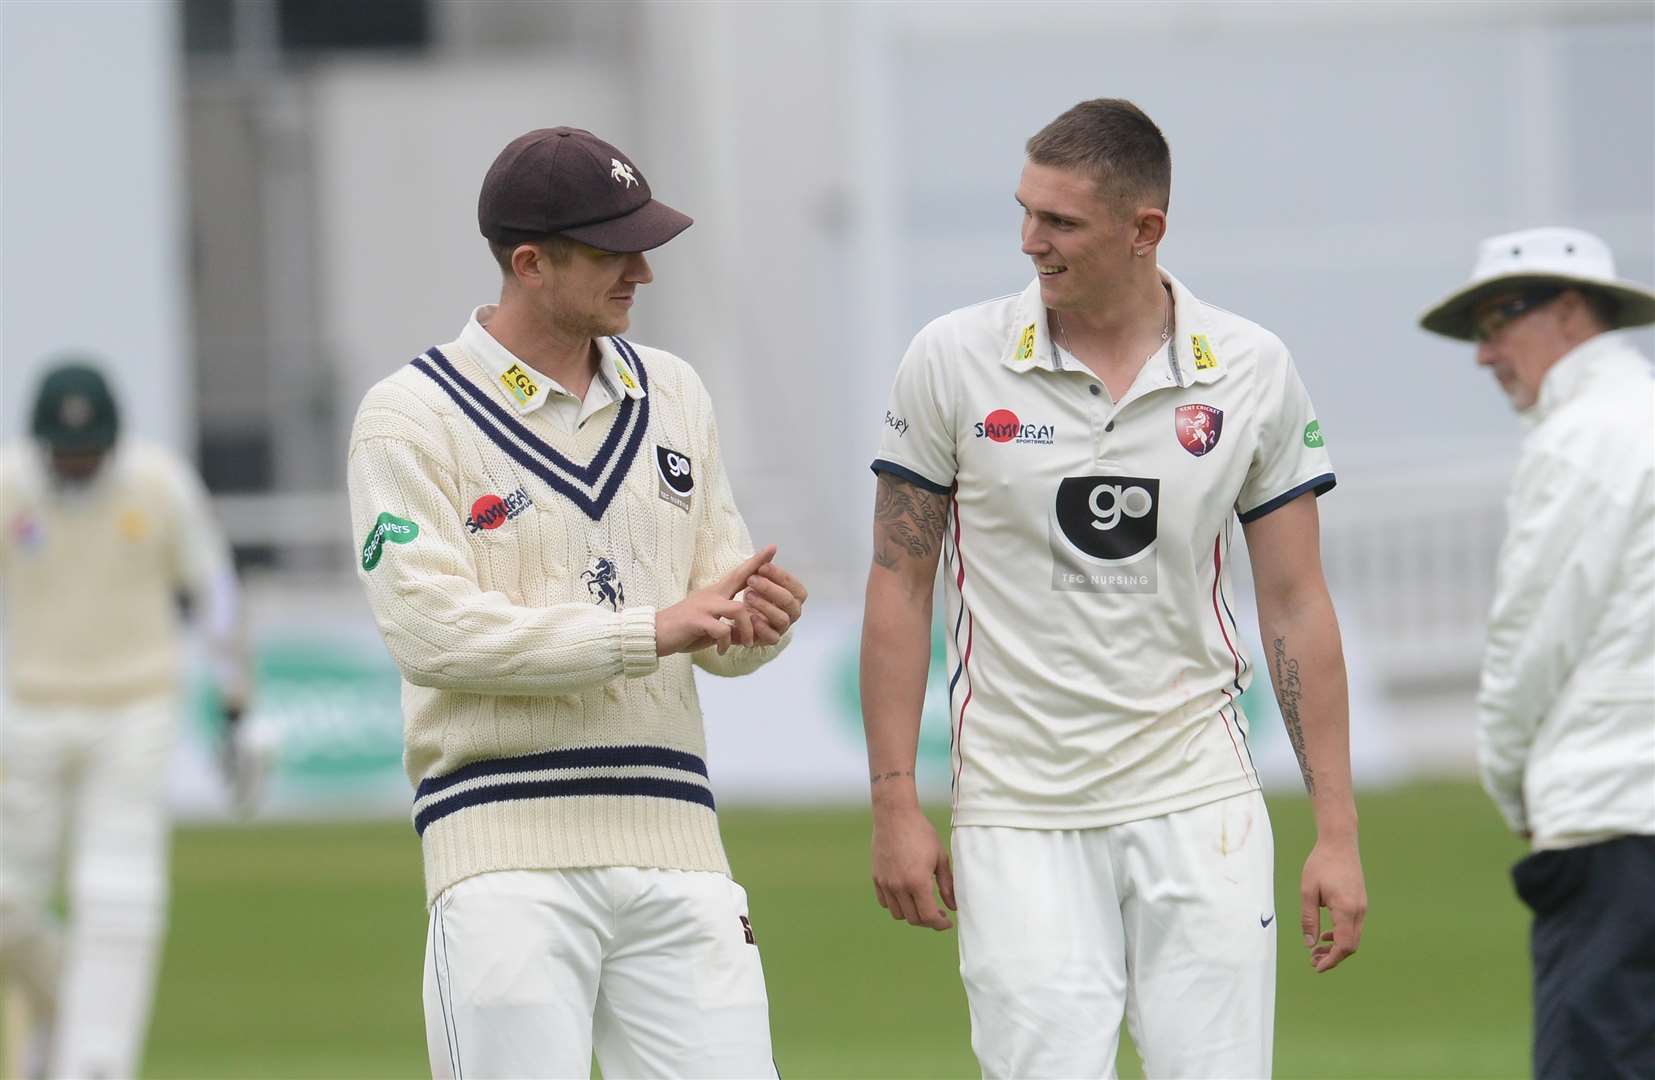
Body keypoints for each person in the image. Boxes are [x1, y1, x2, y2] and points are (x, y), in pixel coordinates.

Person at [860, 99, 1366, 1078]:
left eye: (1059, 223)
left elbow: (1296, 604)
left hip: (1198, 799)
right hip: (1017, 808)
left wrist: (1335, 835)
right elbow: (897, 581)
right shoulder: (950, 359)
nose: (1028, 242)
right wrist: (893, 805)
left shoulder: (1252, 370)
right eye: (1024, 212)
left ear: (1145, 231)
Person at [346, 127, 807, 1078]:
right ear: (529, 263)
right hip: (503, 856)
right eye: (612, 249)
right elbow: (432, 633)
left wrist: (749, 625)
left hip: (680, 848)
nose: (641, 269)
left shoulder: (674, 391)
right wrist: (652, 630)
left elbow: (709, 618)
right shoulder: (410, 414)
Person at [1418, 226, 1655, 1079]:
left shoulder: (1584, 436)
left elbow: (1529, 640)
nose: (1485, 354)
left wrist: (1511, 780)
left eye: (1499, 319)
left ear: (1567, 312)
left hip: (1614, 816)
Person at [0, 360, 248, 1078]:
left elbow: (215, 591)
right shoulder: (12, 486)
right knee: (8, 906)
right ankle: (58, 1005)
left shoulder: (157, 484)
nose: (77, 462)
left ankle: (91, 1061)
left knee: (118, 896)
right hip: (33, 712)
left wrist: (238, 706)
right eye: (64, 449)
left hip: (135, 712)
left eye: (89, 448)